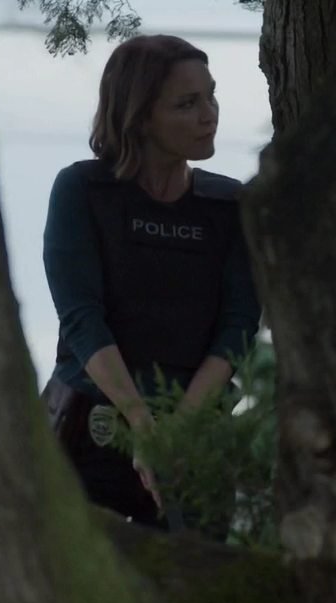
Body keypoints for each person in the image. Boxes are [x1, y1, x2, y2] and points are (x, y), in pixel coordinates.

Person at [39, 34, 260, 533]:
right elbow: (82, 319)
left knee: (196, 576)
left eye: (211, 96)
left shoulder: (229, 207)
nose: (210, 115)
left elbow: (239, 327)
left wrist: (176, 432)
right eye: (187, 104)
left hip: (193, 436)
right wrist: (141, 422)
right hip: (89, 432)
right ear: (140, 117)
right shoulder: (82, 190)